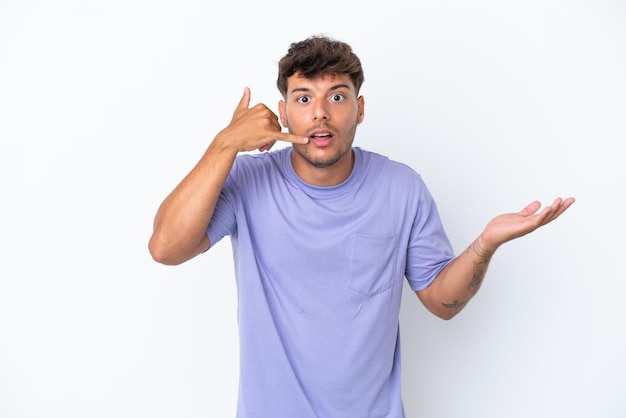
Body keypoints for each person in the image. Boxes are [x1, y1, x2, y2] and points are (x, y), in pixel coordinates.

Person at [148, 35, 575, 418]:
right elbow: (166, 247)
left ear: (360, 108)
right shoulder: (247, 180)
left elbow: (442, 302)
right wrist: (226, 143)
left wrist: (485, 245)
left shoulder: (401, 188)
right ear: (282, 113)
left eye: (337, 97)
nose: (319, 114)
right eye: (302, 99)